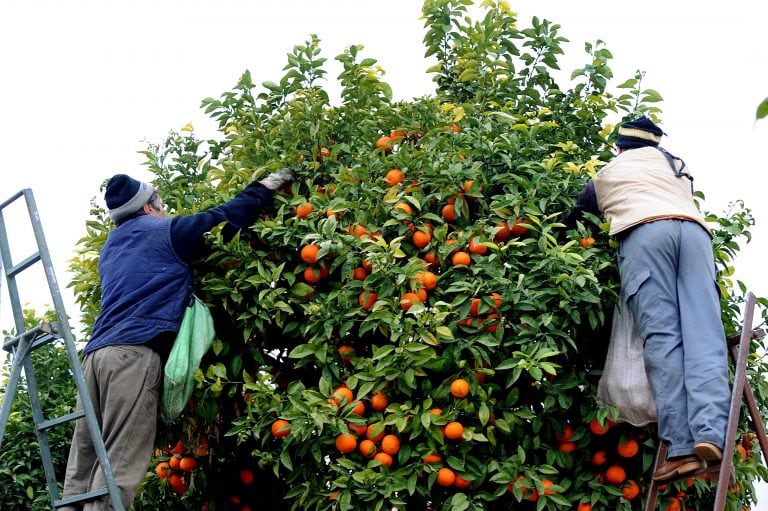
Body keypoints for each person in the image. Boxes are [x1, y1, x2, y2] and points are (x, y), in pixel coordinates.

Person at [61, 168, 294, 510]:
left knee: (82, 465)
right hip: (132, 355)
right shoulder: (162, 232)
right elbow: (224, 219)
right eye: (161, 203)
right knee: (121, 459)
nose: (166, 209)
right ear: (149, 206)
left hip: (94, 359)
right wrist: (263, 188)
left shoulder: (110, 248)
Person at [565, 117, 730, 481]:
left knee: (664, 340)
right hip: (695, 236)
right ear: (655, 145)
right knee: (705, 335)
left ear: (620, 147)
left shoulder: (609, 171)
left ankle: (683, 447)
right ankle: (711, 433)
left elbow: (577, 213)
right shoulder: (676, 166)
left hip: (646, 235)